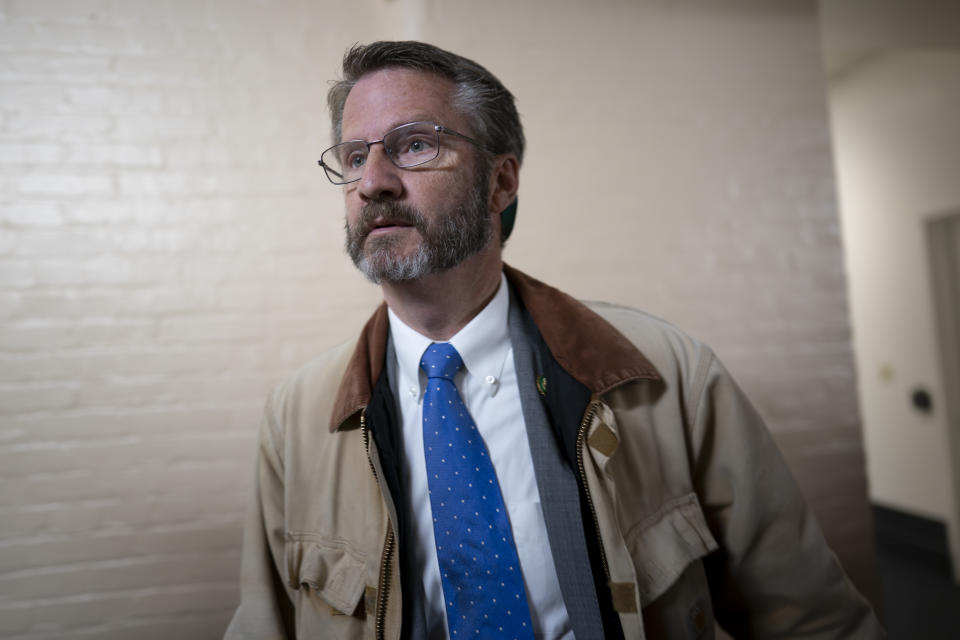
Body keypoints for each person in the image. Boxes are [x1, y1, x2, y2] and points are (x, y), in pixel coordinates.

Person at [225, 41, 884, 640]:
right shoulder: (296, 419)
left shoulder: (667, 377)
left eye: (415, 144)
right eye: (354, 156)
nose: (373, 182)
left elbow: (814, 620)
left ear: (501, 181)